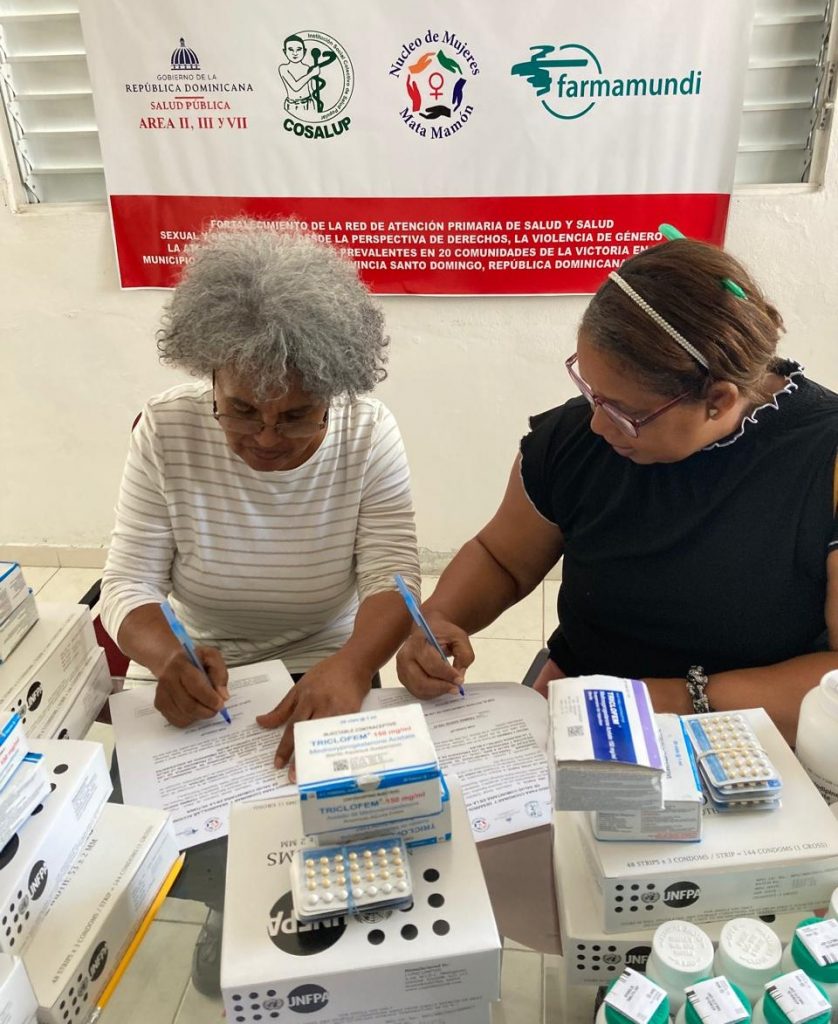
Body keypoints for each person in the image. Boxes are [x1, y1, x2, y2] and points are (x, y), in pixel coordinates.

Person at [100, 220, 420, 995]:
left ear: (334, 396)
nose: (267, 438)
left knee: (341, 834)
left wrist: (353, 666)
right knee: (200, 845)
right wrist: (167, 658)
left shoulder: (368, 431)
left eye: (297, 415)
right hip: (209, 670)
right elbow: (126, 584)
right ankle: (227, 916)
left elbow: (394, 578)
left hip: (330, 660)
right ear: (210, 379)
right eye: (241, 410)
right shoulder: (168, 429)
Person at [396, 232, 838, 747]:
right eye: (592, 394)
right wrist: (440, 619)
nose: (598, 425)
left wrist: (669, 701)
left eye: (627, 413)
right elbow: (502, 558)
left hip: (758, 730)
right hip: (586, 708)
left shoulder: (824, 461)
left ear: (718, 399)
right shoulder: (575, 439)